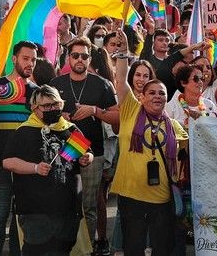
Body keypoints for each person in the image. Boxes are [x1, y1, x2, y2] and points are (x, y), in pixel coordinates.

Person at [3, 85, 93, 255]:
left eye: (56, 104)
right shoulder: (24, 131)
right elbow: (8, 162)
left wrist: (86, 158)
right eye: (46, 106)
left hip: (67, 209)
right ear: (34, 108)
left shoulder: (70, 129)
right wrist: (35, 168)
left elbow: (87, 153)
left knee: (63, 250)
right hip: (35, 211)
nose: (52, 109)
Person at [49, 37, 119, 245]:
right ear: (68, 57)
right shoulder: (56, 83)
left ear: (90, 59)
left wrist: (95, 111)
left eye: (85, 56)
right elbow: (42, 114)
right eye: (75, 55)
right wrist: (61, 115)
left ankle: (88, 247)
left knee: (89, 205)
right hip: (65, 150)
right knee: (64, 202)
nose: (80, 59)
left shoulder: (102, 84)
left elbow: (117, 118)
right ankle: (65, 247)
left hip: (93, 151)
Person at [112, 66, 187, 254]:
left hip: (161, 199)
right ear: (142, 97)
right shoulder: (131, 111)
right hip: (131, 196)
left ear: (166, 98)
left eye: (162, 93)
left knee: (162, 249)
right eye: (151, 92)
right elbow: (121, 81)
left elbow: (189, 156)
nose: (157, 96)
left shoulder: (174, 126)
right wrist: (122, 54)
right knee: (133, 247)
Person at [0, 41, 39, 255]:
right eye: (25, 58)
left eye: (33, 60)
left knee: (21, 215)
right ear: (14, 59)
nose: (30, 63)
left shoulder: (37, 92)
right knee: (0, 213)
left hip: (26, 165)